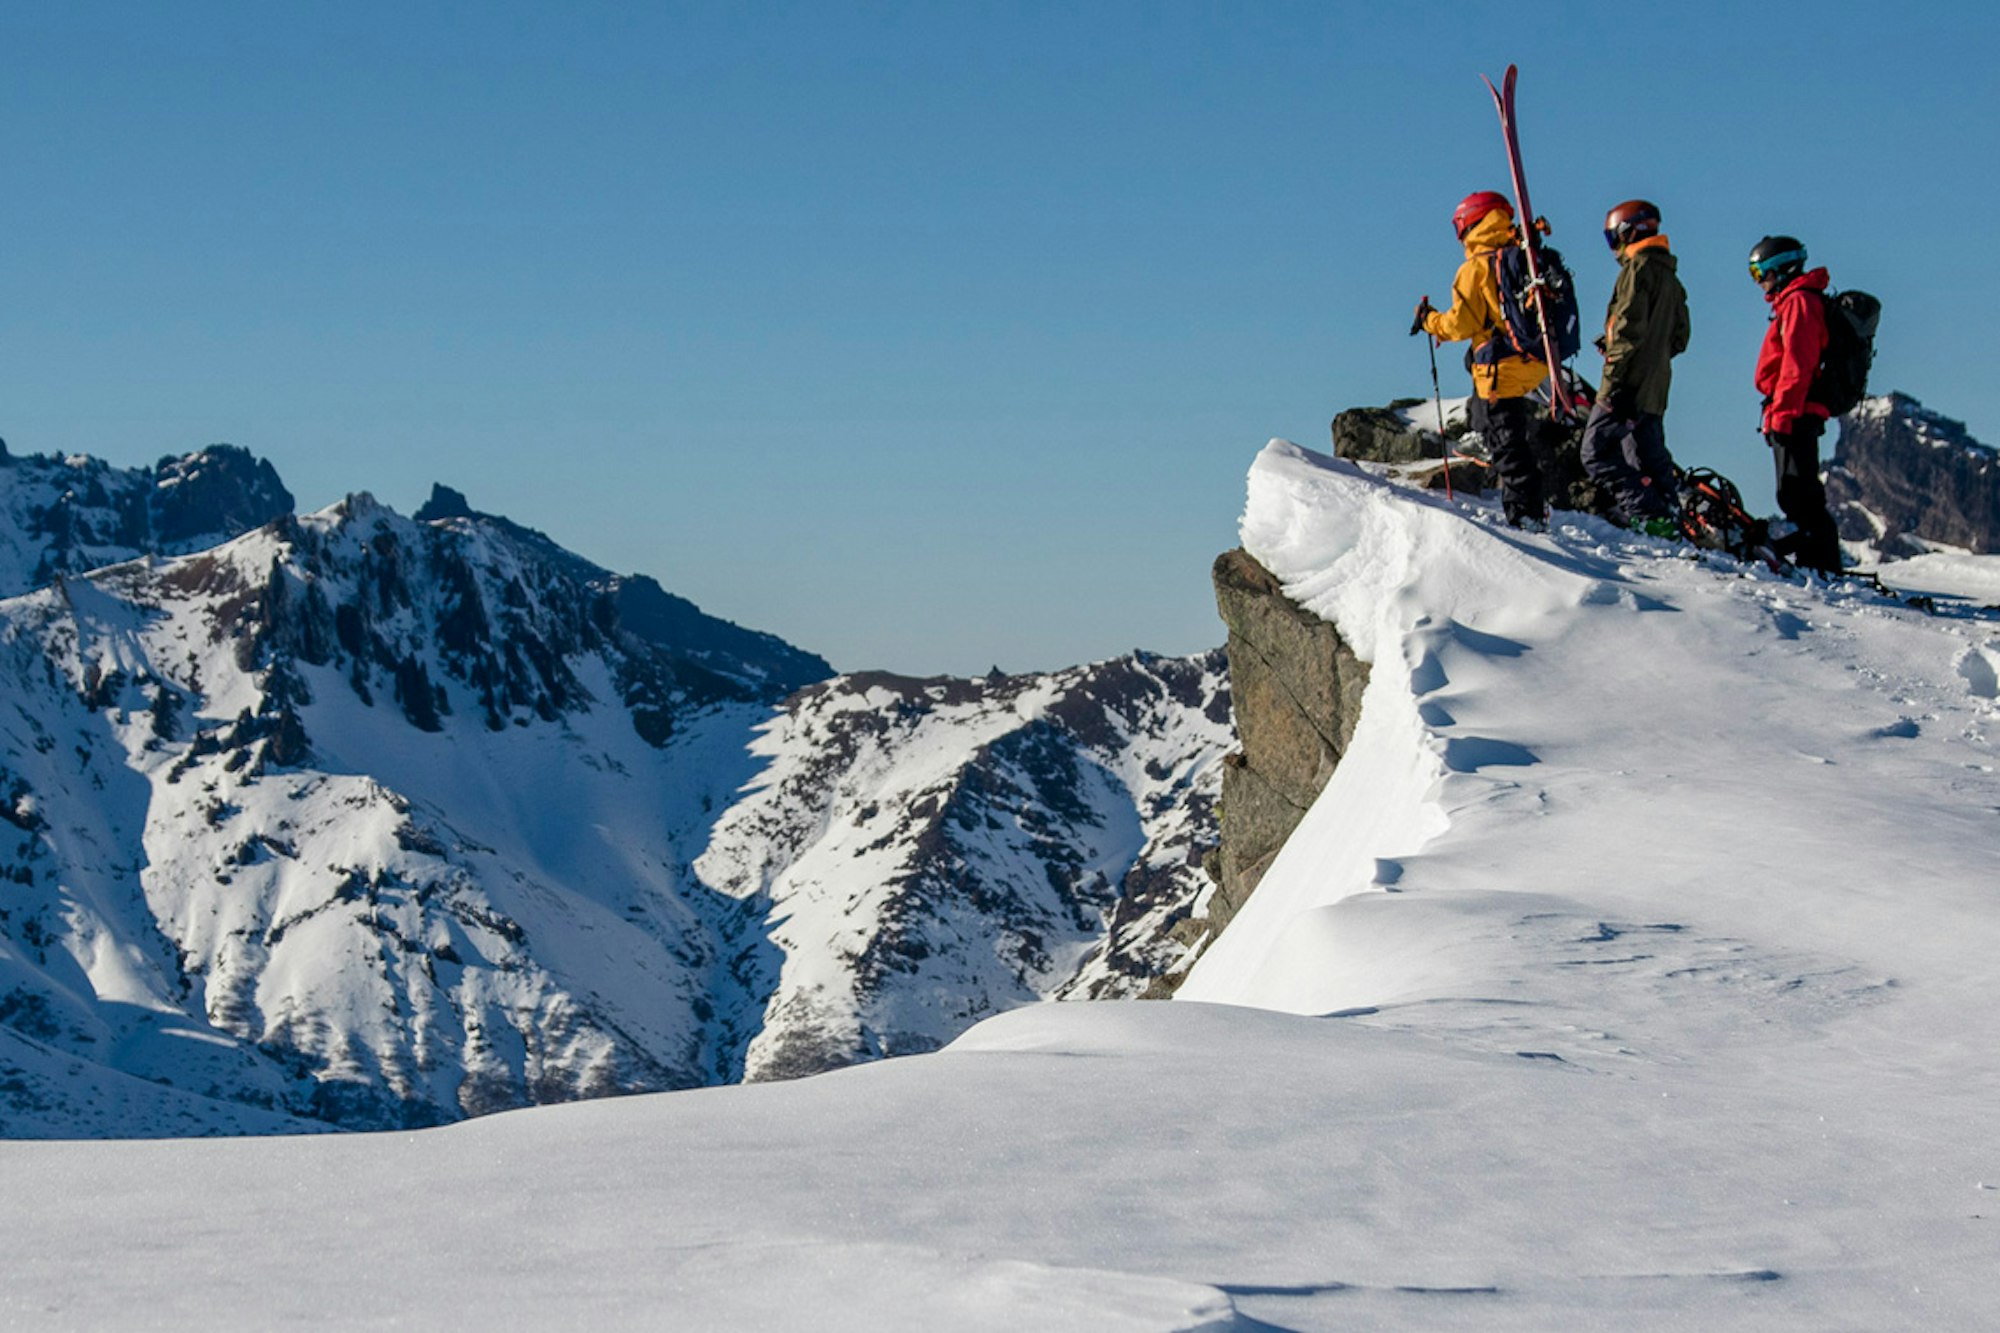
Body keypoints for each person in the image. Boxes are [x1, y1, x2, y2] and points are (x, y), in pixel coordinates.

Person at [1412, 190, 1550, 529]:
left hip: (1500, 367)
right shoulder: (1520, 256)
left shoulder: (1475, 268)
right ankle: (1525, 499)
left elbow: (1461, 323)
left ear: (1469, 223)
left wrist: (1430, 321)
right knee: (1506, 429)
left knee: (1507, 442)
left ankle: (1526, 517)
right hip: (1533, 358)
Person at [1580, 200, 1689, 535]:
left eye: (1613, 238)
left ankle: (1646, 512)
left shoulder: (1637, 269)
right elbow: (1680, 337)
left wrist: (1615, 379)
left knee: (1594, 451)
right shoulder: (1670, 275)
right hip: (1655, 386)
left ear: (1627, 232)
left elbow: (1628, 328)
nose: (1614, 247)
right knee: (1646, 453)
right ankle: (1668, 516)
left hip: (1627, 383)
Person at [1748, 235, 1843, 574]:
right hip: (1793, 410)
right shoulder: (1795, 301)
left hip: (1795, 411)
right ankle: (1817, 562)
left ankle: (1821, 564)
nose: (1760, 283)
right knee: (1796, 492)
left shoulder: (1799, 302)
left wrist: (1782, 414)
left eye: (1761, 274)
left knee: (1798, 494)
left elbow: (1797, 364)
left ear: (1781, 269)